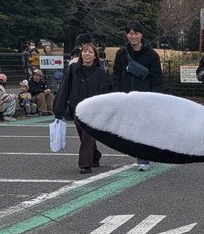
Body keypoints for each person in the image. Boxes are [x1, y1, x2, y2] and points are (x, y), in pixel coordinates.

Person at [112, 24, 164, 171]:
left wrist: (155, 97)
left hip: (145, 98)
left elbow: (157, 78)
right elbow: (116, 75)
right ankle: (141, 152)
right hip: (127, 97)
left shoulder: (152, 55)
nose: (133, 36)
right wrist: (117, 94)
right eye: (130, 33)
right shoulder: (121, 54)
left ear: (141, 35)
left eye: (136, 33)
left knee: (143, 128)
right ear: (126, 35)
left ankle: (143, 159)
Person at [54, 41, 112, 173]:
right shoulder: (73, 69)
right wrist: (59, 109)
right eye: (85, 51)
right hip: (77, 108)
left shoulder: (101, 74)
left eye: (90, 52)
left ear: (95, 56)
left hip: (94, 111)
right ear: (81, 54)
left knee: (88, 135)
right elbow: (64, 89)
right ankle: (95, 156)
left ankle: (85, 164)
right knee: (84, 136)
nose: (87, 54)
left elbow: (106, 94)